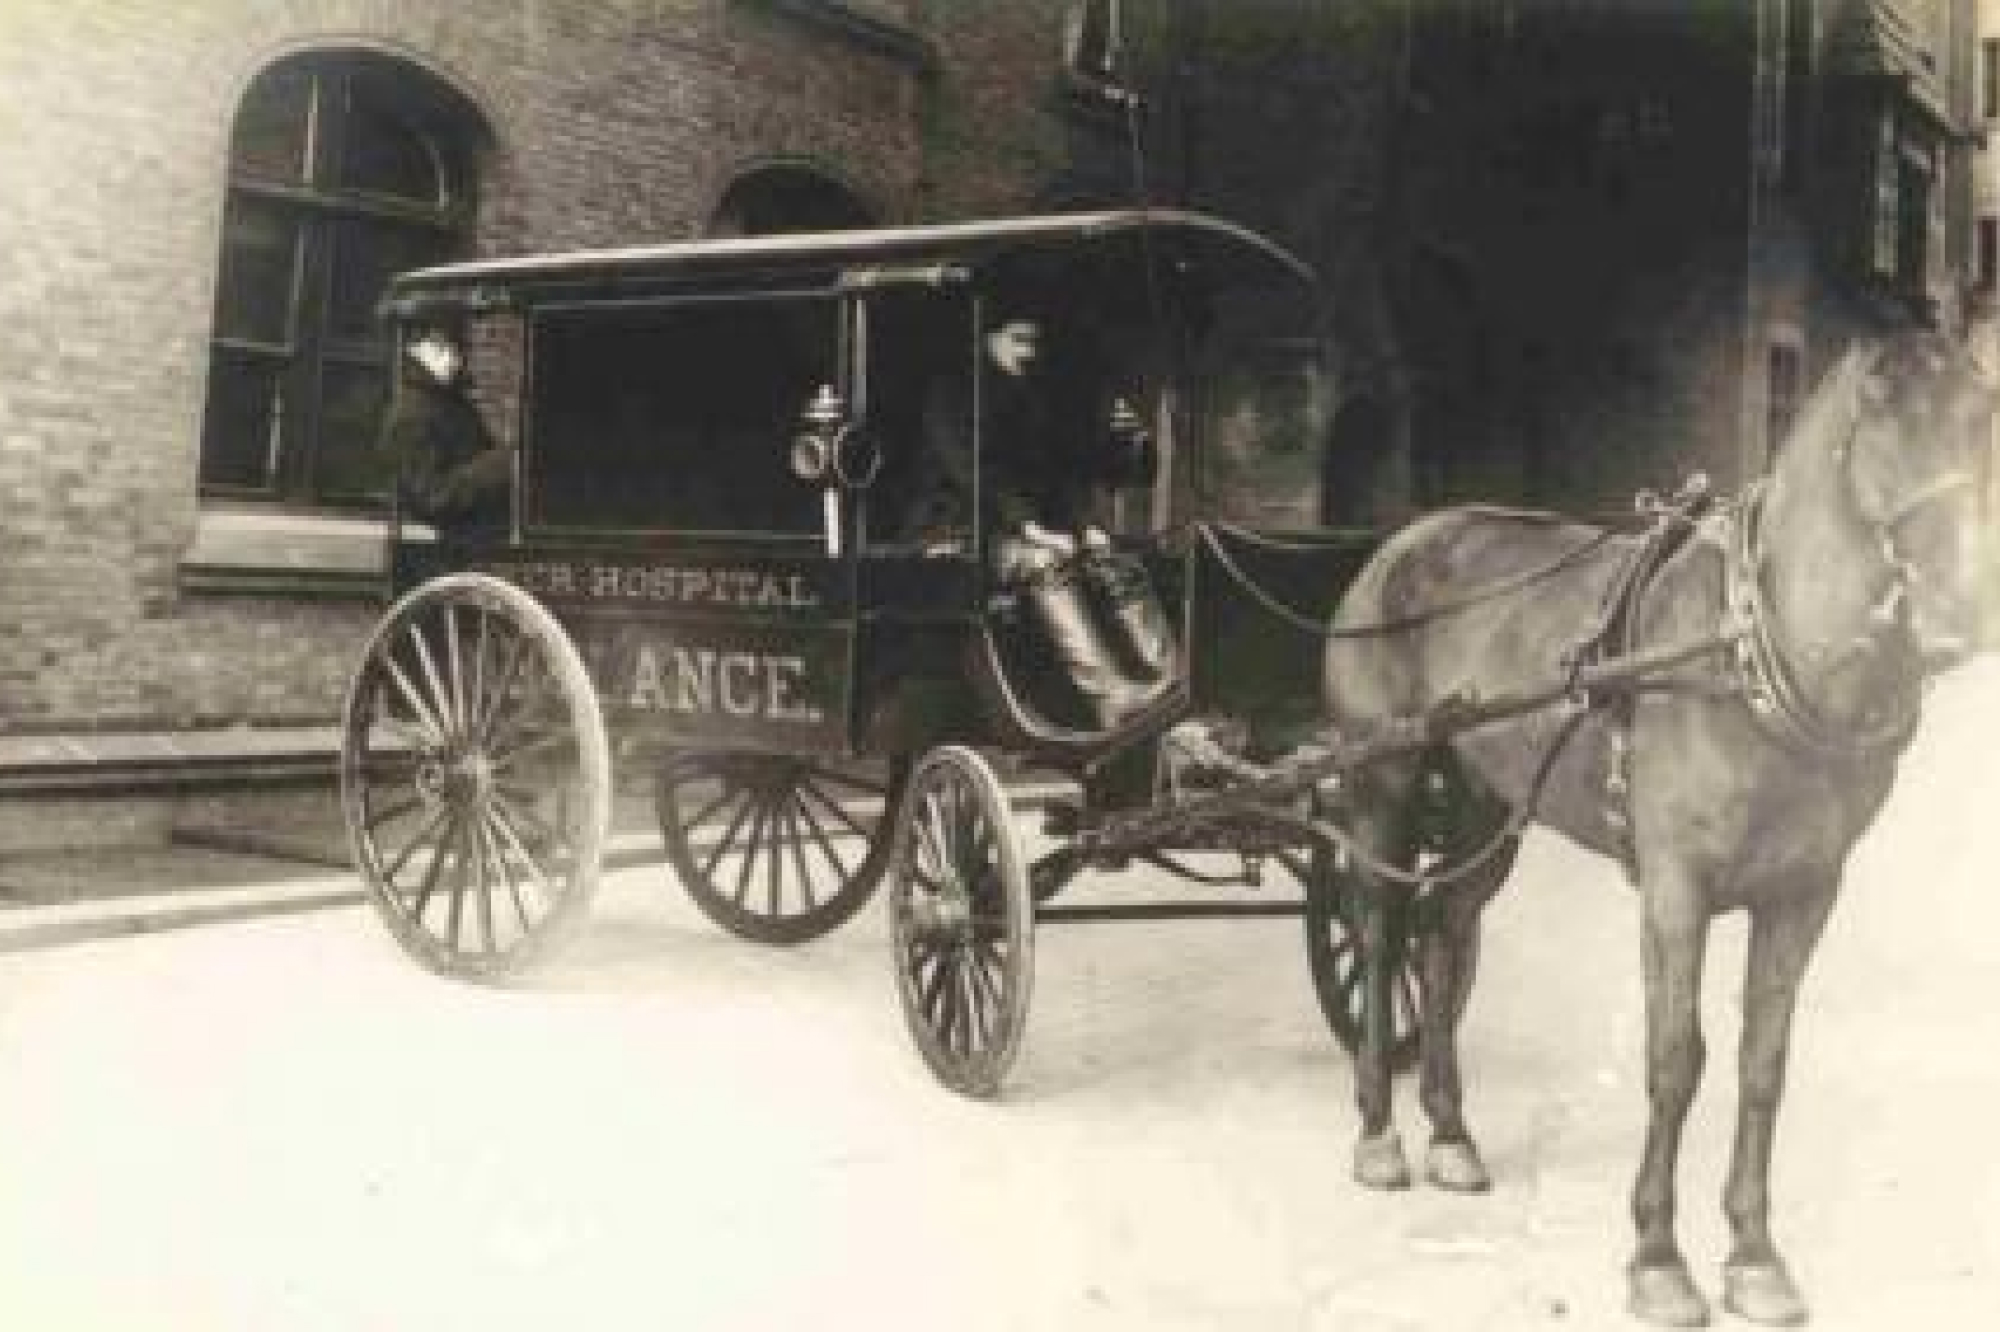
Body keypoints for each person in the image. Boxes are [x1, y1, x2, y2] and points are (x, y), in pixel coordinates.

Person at [908, 296, 1179, 729]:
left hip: (1018, 530)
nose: (1029, 352)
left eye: (1034, 342)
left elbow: (1055, 474)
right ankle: (1110, 696)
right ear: (986, 339)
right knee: (1046, 562)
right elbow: (977, 473)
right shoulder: (952, 394)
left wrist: (1086, 527)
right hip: (956, 533)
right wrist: (1033, 529)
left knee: (1114, 559)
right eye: (1018, 341)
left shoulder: (1030, 398)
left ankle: (1167, 680)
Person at [378, 321, 511, 533]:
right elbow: (430, 498)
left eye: (462, 347)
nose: (462, 358)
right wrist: (494, 467)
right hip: (452, 546)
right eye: (452, 347)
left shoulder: (453, 405)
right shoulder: (412, 414)